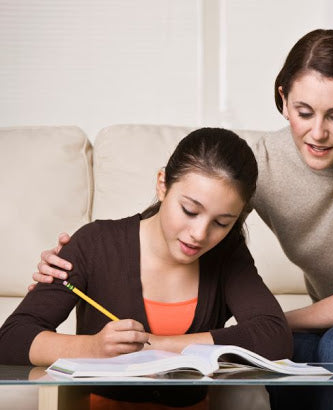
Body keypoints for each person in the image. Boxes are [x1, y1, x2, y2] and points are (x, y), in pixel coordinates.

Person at [33, 29, 333, 410]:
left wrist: (269, 322)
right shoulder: (263, 164)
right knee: (288, 356)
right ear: (282, 99)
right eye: (303, 112)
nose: (317, 133)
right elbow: (193, 214)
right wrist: (82, 250)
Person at [0, 127, 292, 409]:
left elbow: (274, 337)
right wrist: (92, 348)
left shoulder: (227, 254)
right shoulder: (96, 243)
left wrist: (156, 345)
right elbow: (11, 339)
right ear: (162, 184)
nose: (200, 234)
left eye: (222, 222)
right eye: (190, 210)